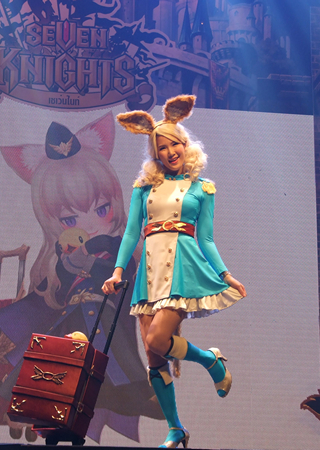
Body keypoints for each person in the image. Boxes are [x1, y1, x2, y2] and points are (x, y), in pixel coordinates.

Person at [0, 113, 163, 442]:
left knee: (110, 368)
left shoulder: (117, 248)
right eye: (70, 218)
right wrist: (69, 267)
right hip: (73, 316)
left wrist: (94, 264)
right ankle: (54, 425)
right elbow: (56, 290)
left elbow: (125, 278)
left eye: (101, 209)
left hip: (105, 317)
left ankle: (130, 399)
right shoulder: (63, 253)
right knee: (55, 371)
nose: (91, 224)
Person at [103, 95, 247, 448]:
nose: (169, 152)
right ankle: (175, 428)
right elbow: (131, 233)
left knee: (157, 340)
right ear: (155, 154)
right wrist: (118, 271)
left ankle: (210, 360)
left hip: (182, 267)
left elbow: (206, 239)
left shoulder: (202, 188)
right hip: (149, 272)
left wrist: (225, 274)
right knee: (153, 357)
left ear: (185, 144)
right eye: (162, 148)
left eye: (174, 145)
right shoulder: (144, 188)